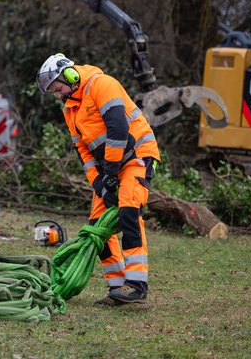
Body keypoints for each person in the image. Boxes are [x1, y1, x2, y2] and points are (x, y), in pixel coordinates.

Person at [36, 53, 160, 306]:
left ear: (69, 76)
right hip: (110, 169)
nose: (58, 95)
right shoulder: (70, 108)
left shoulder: (103, 84)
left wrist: (111, 173)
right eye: (54, 93)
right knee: (97, 227)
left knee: (128, 213)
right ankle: (117, 286)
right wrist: (100, 184)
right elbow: (84, 153)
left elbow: (118, 130)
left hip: (137, 156)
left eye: (58, 89)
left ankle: (136, 285)